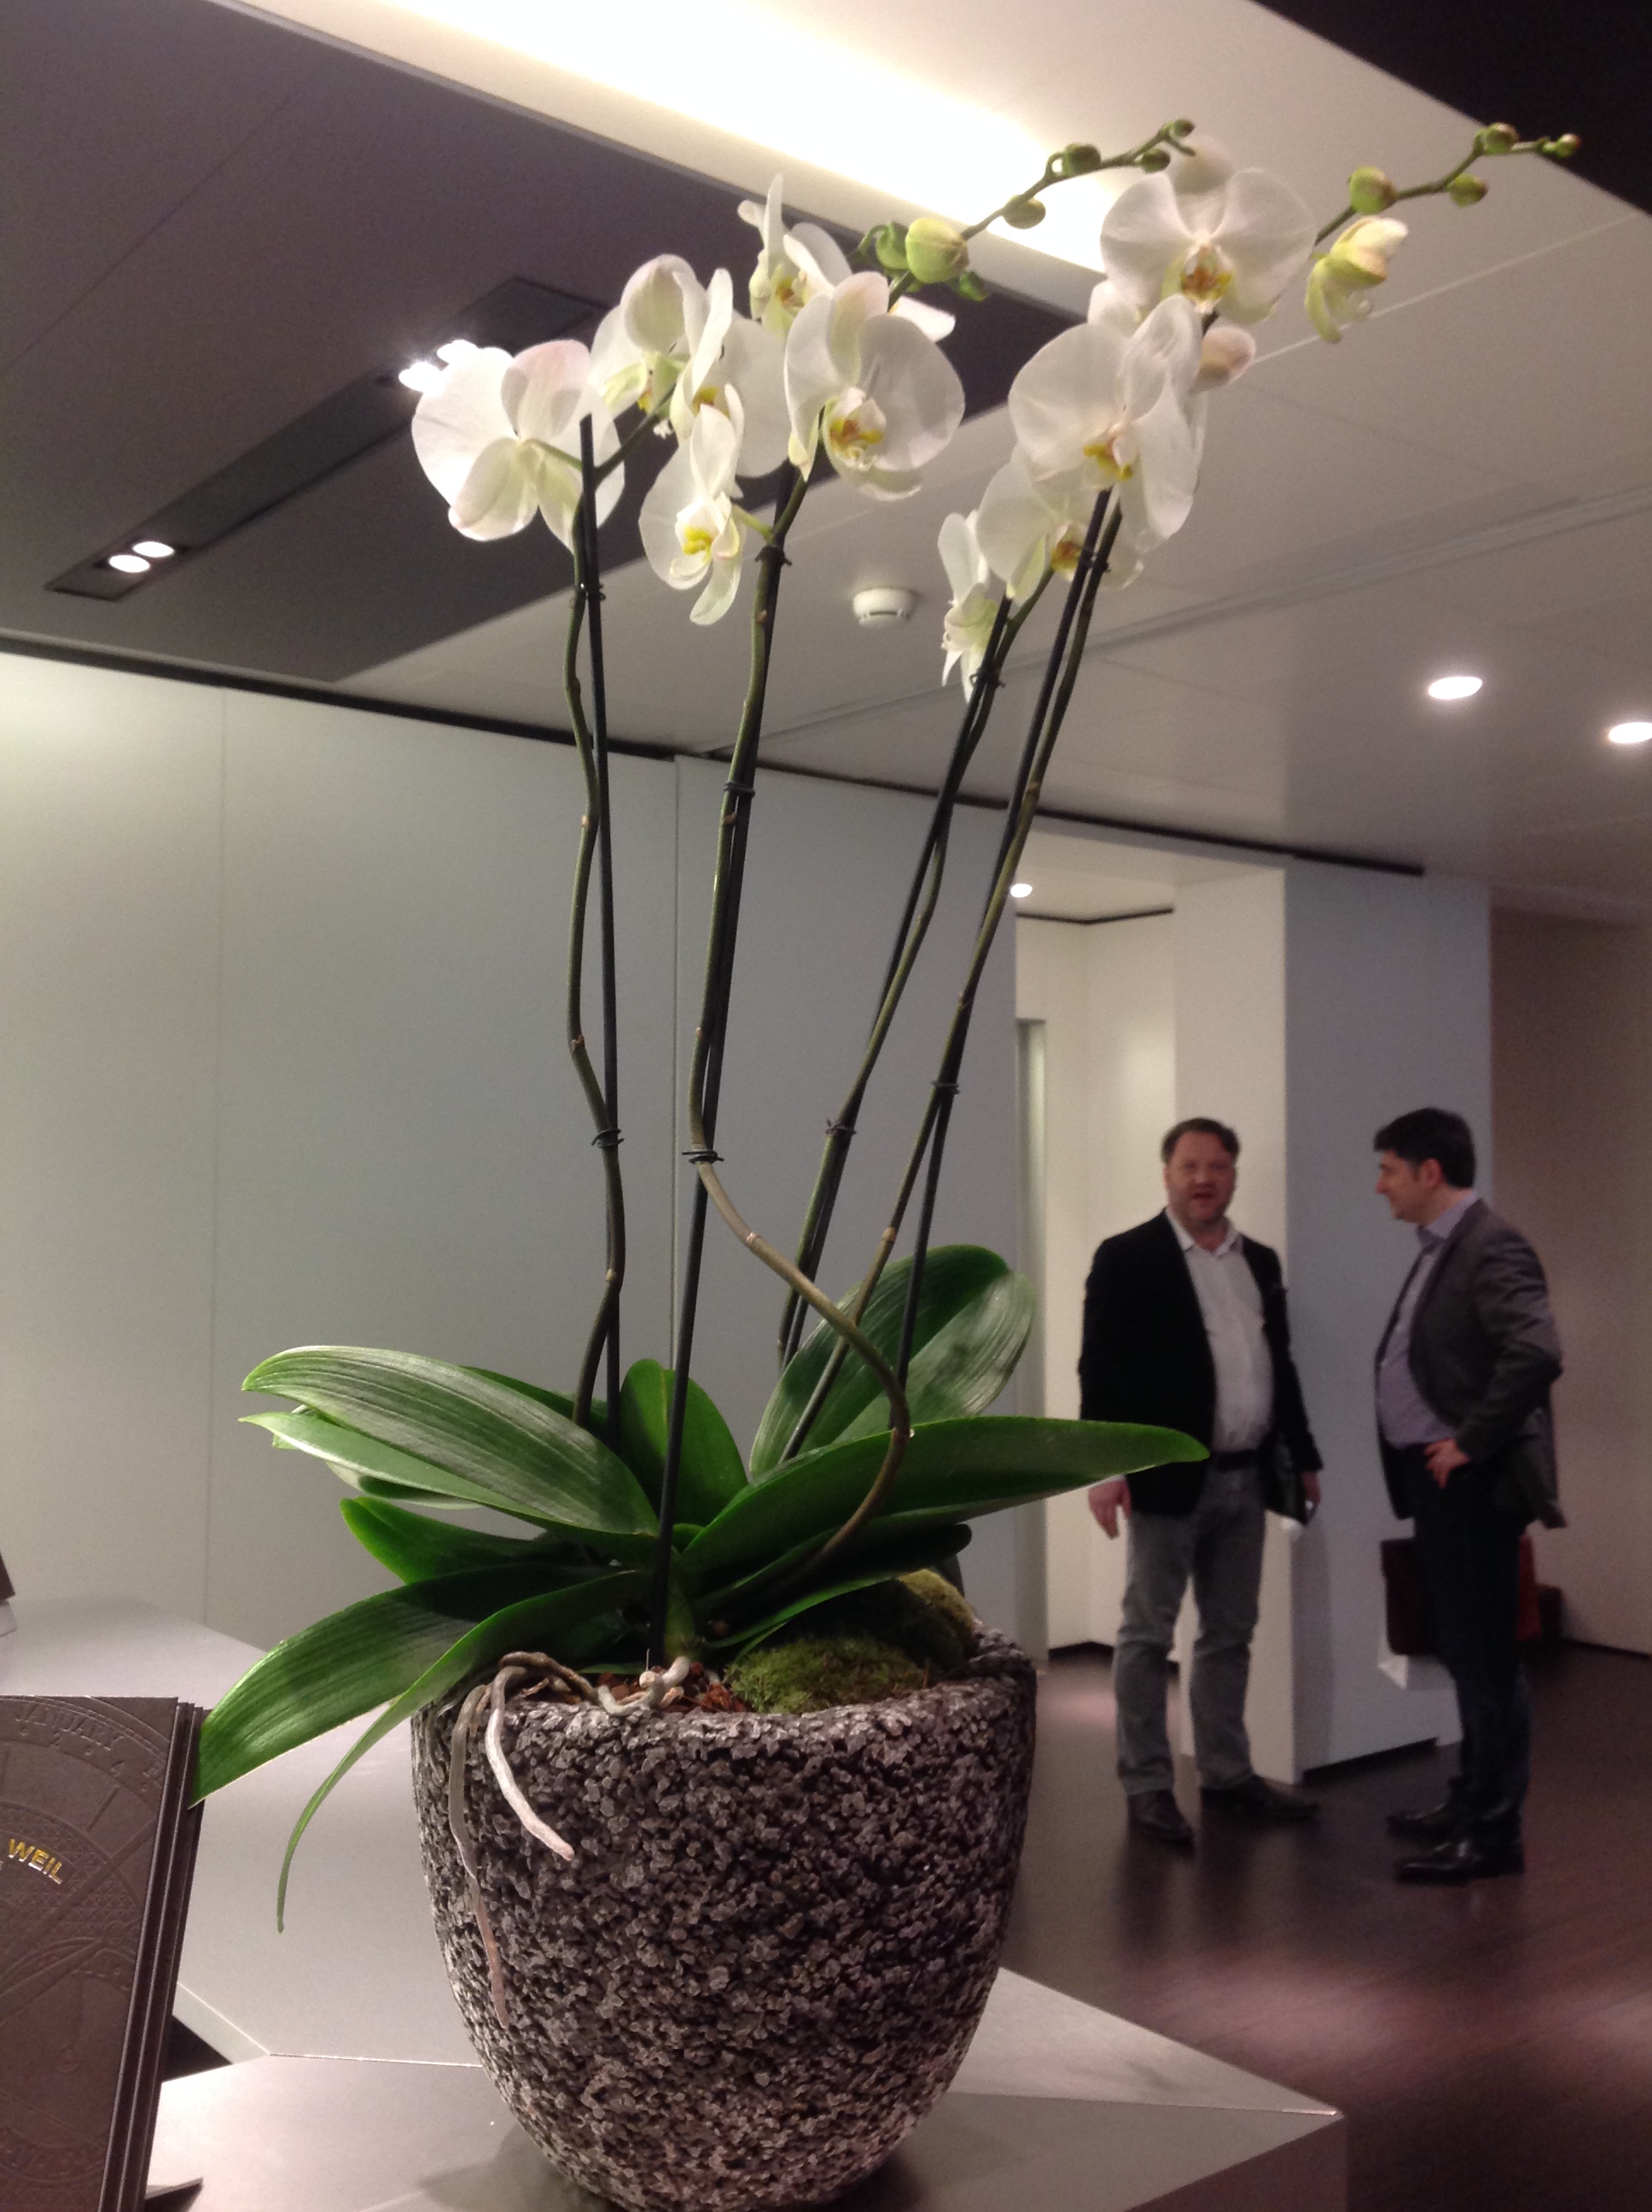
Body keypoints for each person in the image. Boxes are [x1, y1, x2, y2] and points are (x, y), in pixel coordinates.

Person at [1081, 1118, 1323, 1846]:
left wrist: (1304, 1455)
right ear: (1167, 1174)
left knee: (1230, 1633)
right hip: (1165, 1480)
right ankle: (1148, 1786)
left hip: (1248, 1478)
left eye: (1217, 1166)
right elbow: (1101, 1369)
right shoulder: (1127, 1257)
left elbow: (1282, 1366)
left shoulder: (1260, 1261)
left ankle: (1226, 1773)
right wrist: (1104, 1468)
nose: (1203, 1179)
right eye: (1189, 1166)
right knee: (1146, 1634)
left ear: (1234, 1176)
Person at [1373, 1107, 1563, 1883]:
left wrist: (1472, 1441)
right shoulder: (1442, 1246)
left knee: (1485, 1660)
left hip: (1472, 1486)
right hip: (1439, 1485)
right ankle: (1471, 1800)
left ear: (1430, 1171)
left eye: (1388, 1169)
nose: (1379, 1185)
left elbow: (1537, 1351)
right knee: (1463, 1651)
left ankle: (1493, 1833)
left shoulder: (1491, 1244)